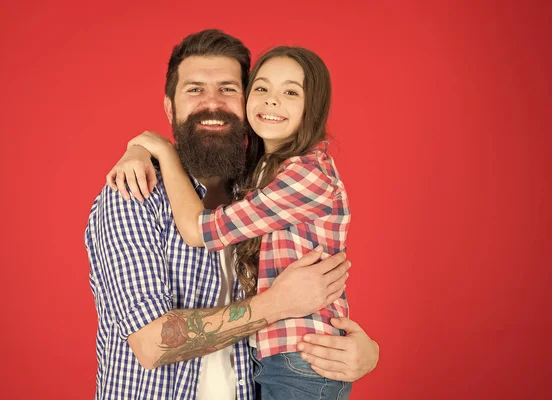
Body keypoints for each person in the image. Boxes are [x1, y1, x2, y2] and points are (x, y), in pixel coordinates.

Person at [87, 29, 378, 400]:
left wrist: (365, 352)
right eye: (194, 89)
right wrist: (278, 304)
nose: (213, 103)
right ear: (169, 107)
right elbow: (152, 344)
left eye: (228, 89)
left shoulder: (263, 189)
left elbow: (313, 294)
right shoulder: (133, 196)